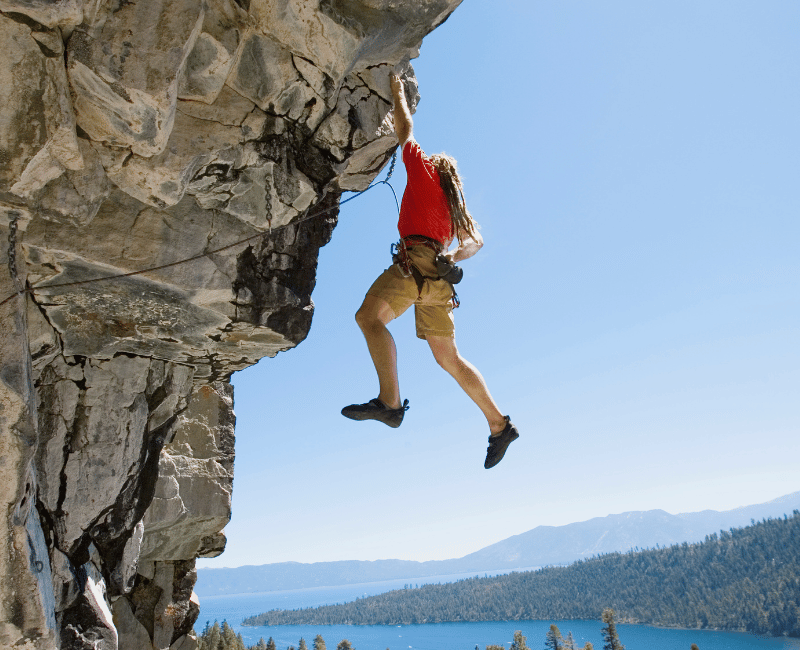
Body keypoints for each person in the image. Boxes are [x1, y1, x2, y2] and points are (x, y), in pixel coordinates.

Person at [341, 72, 519, 470]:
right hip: (439, 278)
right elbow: (476, 243)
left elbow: (406, 130)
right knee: (449, 358)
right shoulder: (454, 211)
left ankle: (390, 402)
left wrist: (397, 92)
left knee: (369, 319)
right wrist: (452, 260)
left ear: (436, 168)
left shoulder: (423, 172)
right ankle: (499, 424)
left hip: (414, 263)